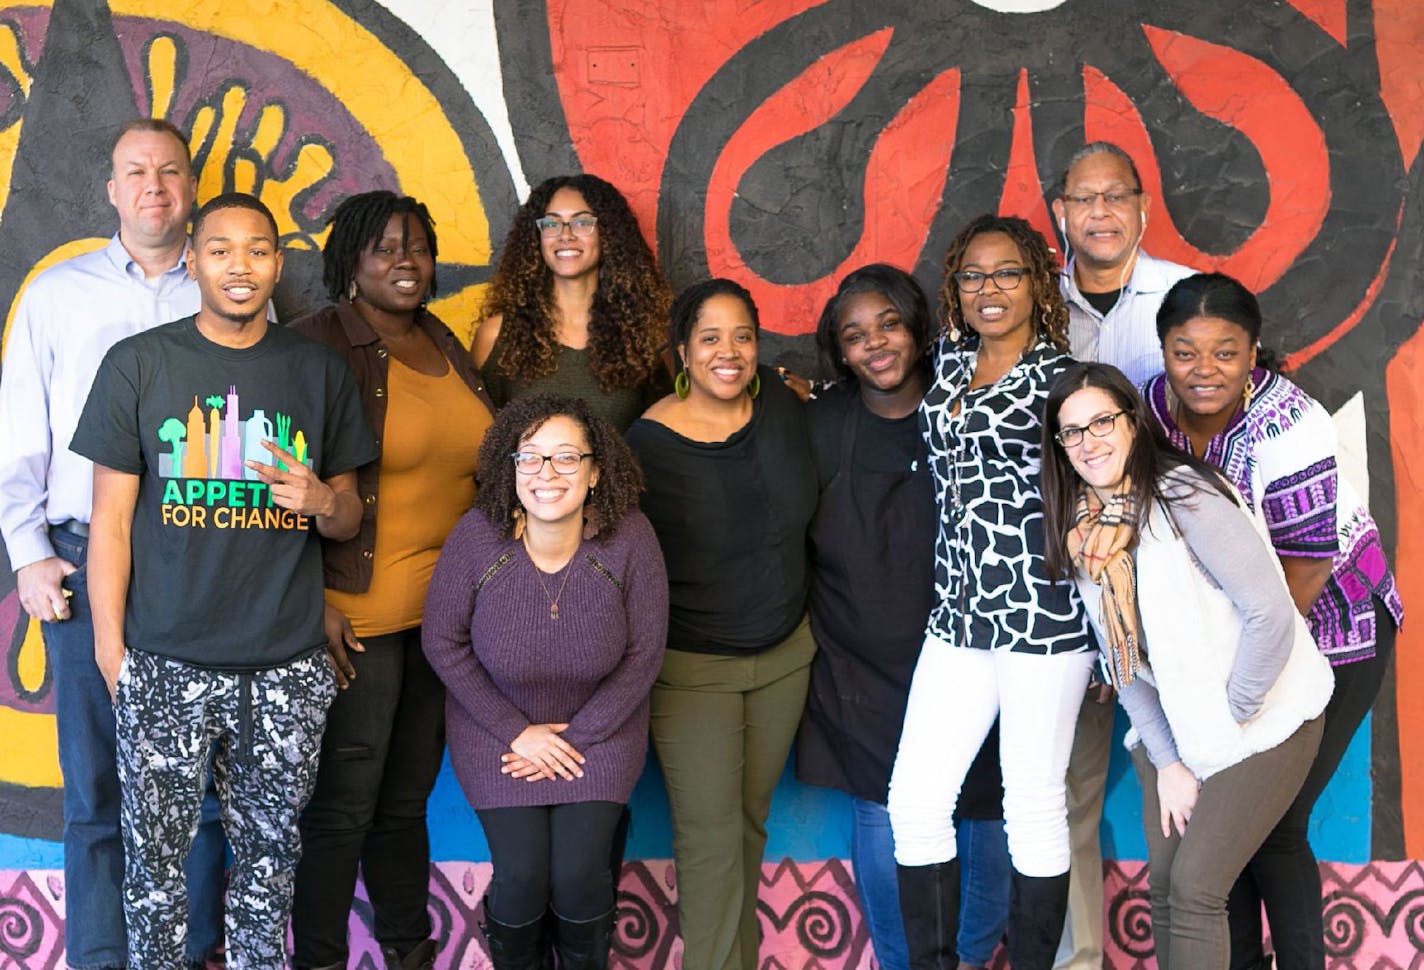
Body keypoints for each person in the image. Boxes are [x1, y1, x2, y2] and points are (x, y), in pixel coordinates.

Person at [70, 192, 378, 969]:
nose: (239, 266)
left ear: (279, 263)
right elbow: (109, 522)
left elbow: (347, 520)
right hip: (165, 664)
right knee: (154, 874)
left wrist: (319, 499)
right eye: (220, 249)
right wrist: (113, 650)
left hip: (285, 668)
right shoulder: (141, 364)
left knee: (270, 867)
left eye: (258, 250)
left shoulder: (319, 372)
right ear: (195, 261)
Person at [0, 117, 228, 970]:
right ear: (112, 188)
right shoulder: (60, 294)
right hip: (80, 551)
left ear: (190, 188)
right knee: (94, 790)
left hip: (200, 561)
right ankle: (99, 958)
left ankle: (192, 954)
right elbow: (19, 428)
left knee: (203, 789)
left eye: (170, 172)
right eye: (137, 172)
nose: (155, 188)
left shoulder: (229, 283)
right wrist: (28, 553)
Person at [1144, 273, 1403, 970]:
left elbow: (1307, 571)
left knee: (1275, 823)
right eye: (1184, 351)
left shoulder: (1290, 427)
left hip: (1333, 627)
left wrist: (1237, 689)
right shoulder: (1150, 410)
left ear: (1254, 352)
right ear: (1162, 350)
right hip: (1234, 639)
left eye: (1225, 353)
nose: (1204, 372)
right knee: (1229, 825)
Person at [1040, 361, 1334, 969]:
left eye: (1102, 422)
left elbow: (1269, 613)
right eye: (1072, 432)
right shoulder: (1087, 533)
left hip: (1267, 715)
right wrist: (1171, 759)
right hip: (1181, 733)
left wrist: (1229, 721)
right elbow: (1124, 668)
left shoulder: (1183, 496)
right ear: (1060, 448)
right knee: (1169, 886)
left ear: (1133, 422)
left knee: (1198, 886)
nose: (1089, 442)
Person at [287, 191, 496, 970]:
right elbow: (268, 494)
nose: (405, 261)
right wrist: (310, 603)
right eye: (383, 248)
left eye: (417, 246)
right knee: (343, 809)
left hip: (442, 625)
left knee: (405, 806)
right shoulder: (313, 347)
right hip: (355, 622)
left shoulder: (442, 342)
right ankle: (317, 960)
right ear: (349, 261)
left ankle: (409, 953)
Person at [887, 215, 1093, 970]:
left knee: (1032, 803)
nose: (989, 288)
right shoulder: (945, 363)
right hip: (959, 615)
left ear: (1038, 284)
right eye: (973, 275)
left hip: (1044, 615)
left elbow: (1110, 478)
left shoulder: (1066, 379)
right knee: (915, 799)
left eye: (1008, 272)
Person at [794, 264, 1009, 970]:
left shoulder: (969, 410)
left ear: (918, 328)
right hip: (861, 667)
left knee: (986, 812)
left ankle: (970, 958)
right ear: (839, 350)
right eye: (855, 335)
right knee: (884, 816)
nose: (876, 344)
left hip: (973, 653)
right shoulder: (820, 426)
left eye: (888, 323)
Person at [422, 394, 667, 970]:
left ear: (595, 469)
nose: (546, 475)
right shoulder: (477, 538)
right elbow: (443, 643)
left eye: (565, 458)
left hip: (602, 734)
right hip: (496, 737)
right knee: (525, 877)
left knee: (580, 874)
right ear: (510, 469)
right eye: (529, 458)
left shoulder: (631, 539)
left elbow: (643, 654)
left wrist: (574, 738)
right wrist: (519, 733)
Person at [625, 278, 817, 970]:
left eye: (742, 335)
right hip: (693, 671)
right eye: (709, 338)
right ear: (682, 350)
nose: (728, 352)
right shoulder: (646, 444)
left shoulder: (780, 403)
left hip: (785, 658)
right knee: (709, 842)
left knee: (746, 829)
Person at [1049, 140, 1196, 970]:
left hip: (1174, 586)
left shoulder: (1181, 296)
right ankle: (1080, 960)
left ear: (1142, 207)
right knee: (1070, 791)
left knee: (1179, 783)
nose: (1100, 212)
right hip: (1075, 582)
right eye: (1084, 198)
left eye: (1117, 196)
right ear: (1060, 212)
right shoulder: (1040, 307)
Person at [473, 173, 671, 432]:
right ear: (537, 238)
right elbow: (480, 442)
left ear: (608, 234)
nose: (565, 235)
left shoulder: (646, 336)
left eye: (582, 222)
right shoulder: (497, 336)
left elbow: (665, 439)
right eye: (552, 224)